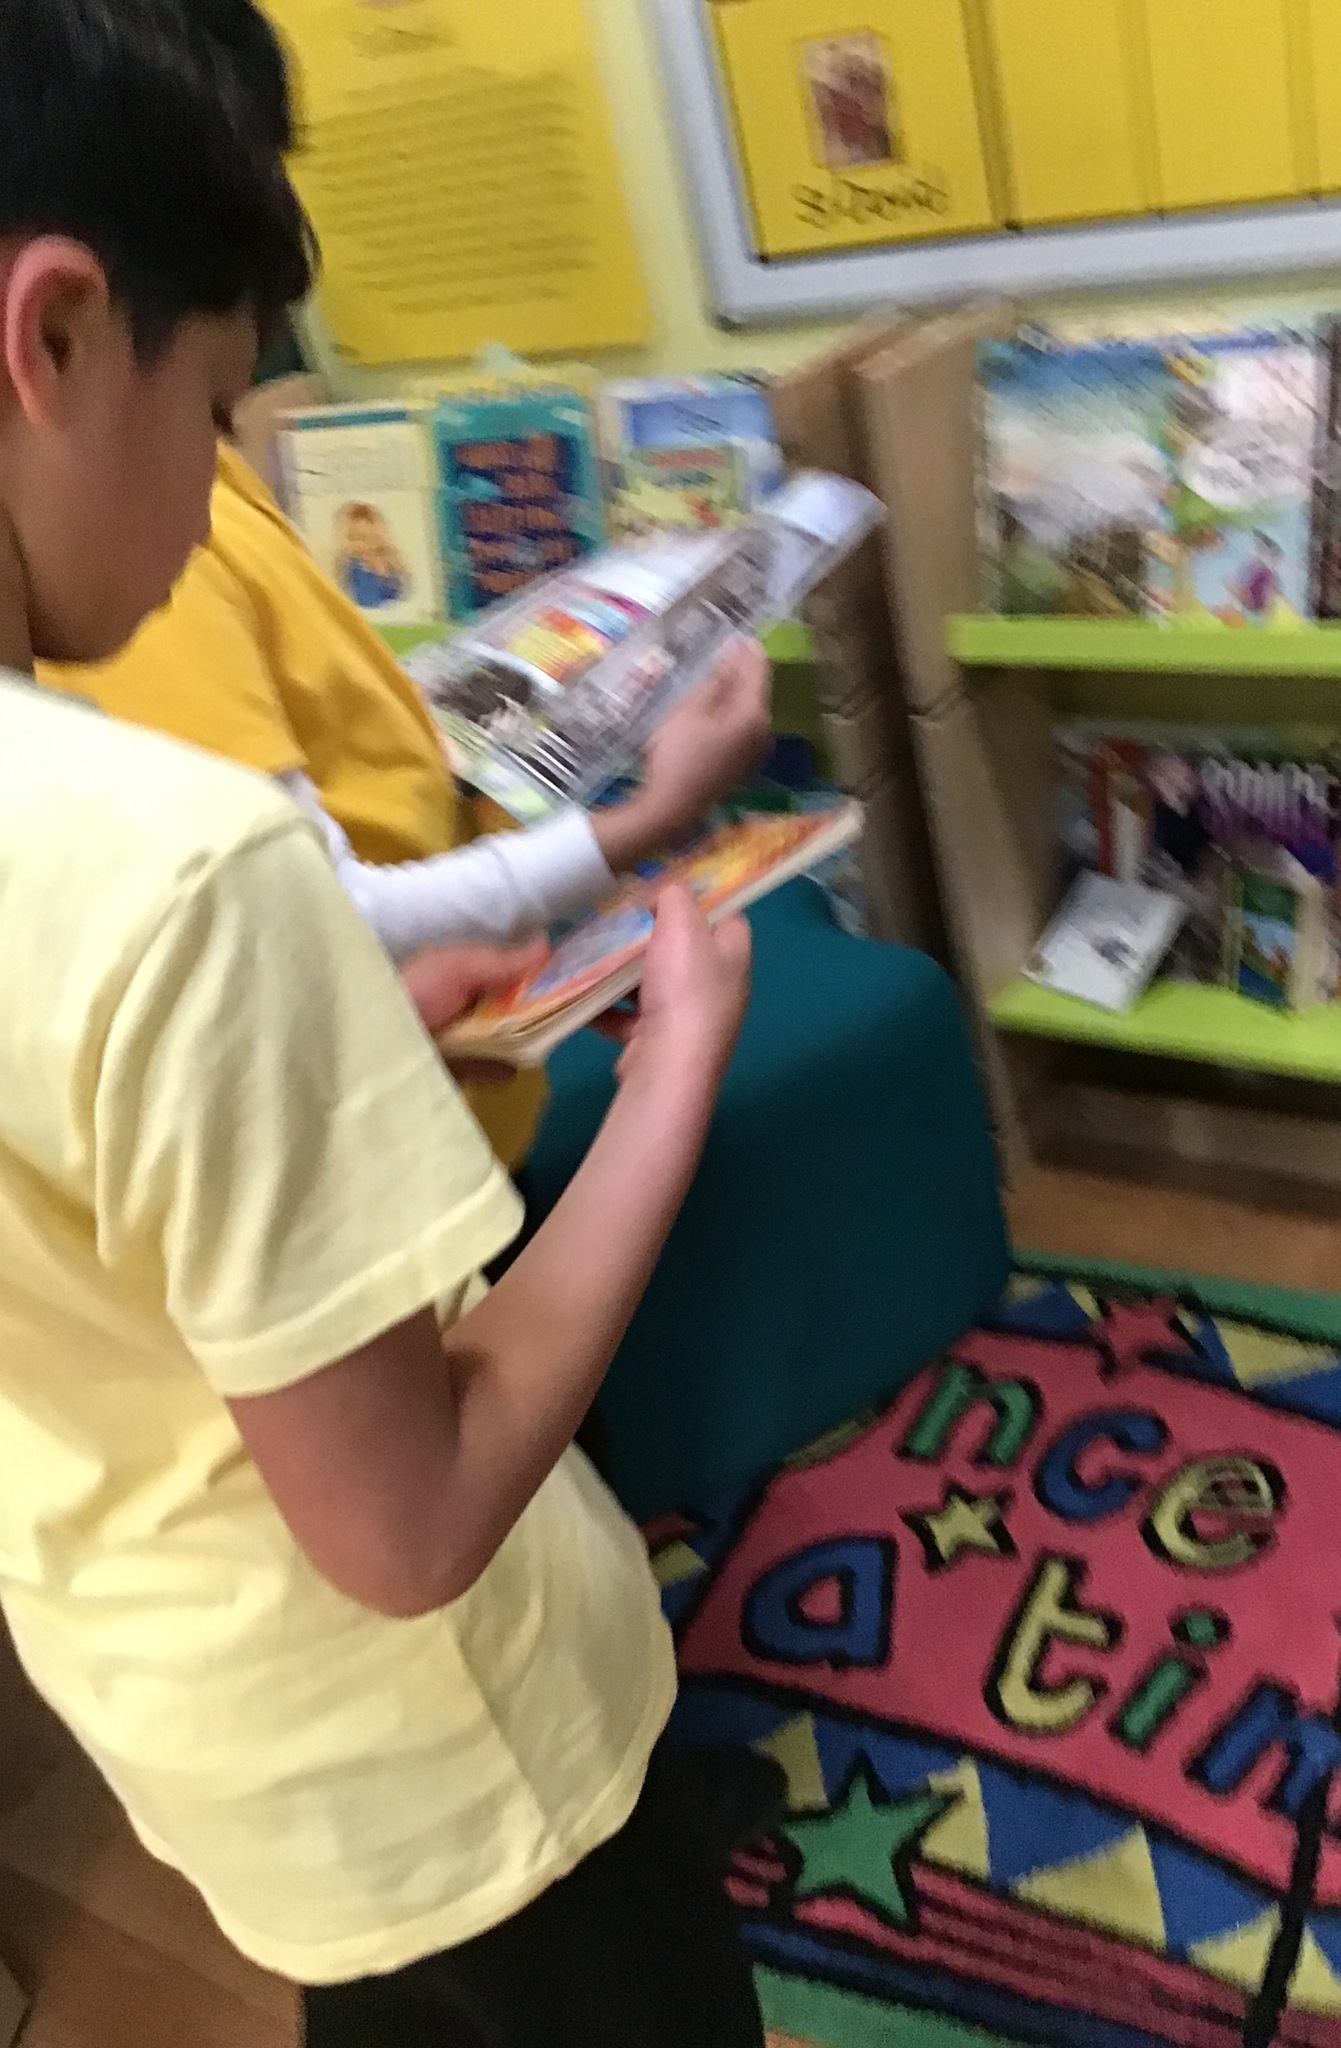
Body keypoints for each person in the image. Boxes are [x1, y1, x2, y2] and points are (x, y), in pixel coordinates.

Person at [0, 2, 769, 2041]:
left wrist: (344, 1052)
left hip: (203, 1730)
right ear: (53, 330)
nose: (210, 498)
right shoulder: (178, 865)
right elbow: (410, 1522)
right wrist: (673, 1074)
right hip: (450, 1746)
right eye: (212, 410)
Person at [39, 436, 772, 1173]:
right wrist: (656, 813)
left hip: (432, 1077)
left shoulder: (190, 477)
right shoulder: (147, 555)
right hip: (388, 1149)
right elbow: (325, 914)